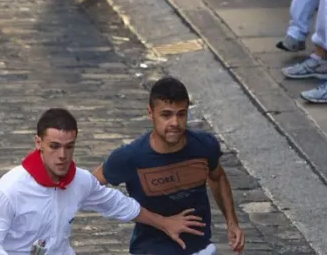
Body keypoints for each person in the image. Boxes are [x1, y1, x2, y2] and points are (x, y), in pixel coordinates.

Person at [0, 108, 206, 255]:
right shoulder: (9, 191)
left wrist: (164, 223)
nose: (62, 156)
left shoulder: (80, 181)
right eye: (54, 147)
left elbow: (118, 205)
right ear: (39, 143)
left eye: (69, 147)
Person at [93, 77, 245, 255]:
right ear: (150, 113)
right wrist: (162, 222)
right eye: (166, 115)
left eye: (181, 114)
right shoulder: (130, 157)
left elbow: (217, 177)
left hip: (200, 248)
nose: (175, 123)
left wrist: (232, 222)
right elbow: (90, 187)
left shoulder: (204, 146)